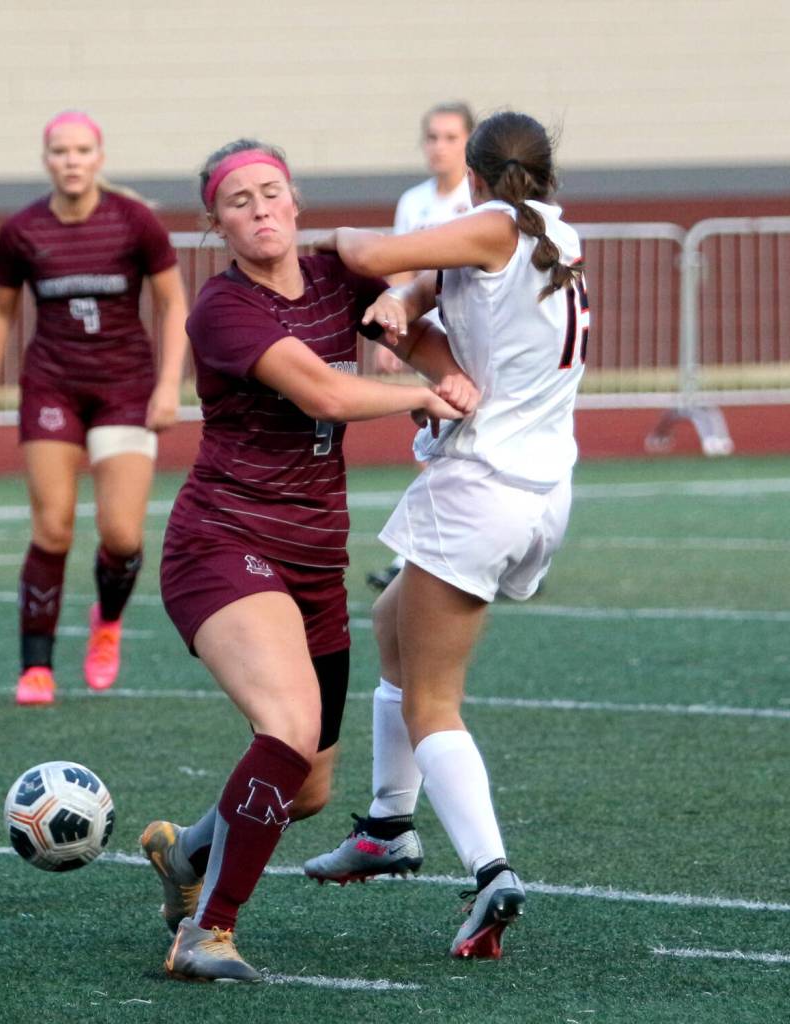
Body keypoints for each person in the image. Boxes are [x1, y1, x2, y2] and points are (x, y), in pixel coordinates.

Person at [139, 138, 478, 983]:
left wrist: (444, 366)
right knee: (285, 730)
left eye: (271, 192)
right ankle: (205, 933)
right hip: (222, 544)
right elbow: (324, 391)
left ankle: (186, 855)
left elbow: (412, 321)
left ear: (295, 203)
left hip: (315, 558)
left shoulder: (335, 277)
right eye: (239, 199)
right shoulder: (221, 308)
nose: (259, 208)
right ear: (214, 223)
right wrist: (423, 396)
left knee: (310, 788)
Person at [302, 110, 589, 961]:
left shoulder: (495, 226)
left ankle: (491, 870)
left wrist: (302, 236)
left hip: (485, 486)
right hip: (540, 486)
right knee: (392, 619)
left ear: (472, 173)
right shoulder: (553, 234)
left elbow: (366, 254)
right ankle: (390, 822)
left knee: (433, 699)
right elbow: (446, 293)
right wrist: (409, 302)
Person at [0, 111, 189, 706]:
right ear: (46, 159)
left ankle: (107, 622)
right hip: (52, 388)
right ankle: (35, 666)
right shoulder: (22, 230)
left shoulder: (134, 222)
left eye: (82, 150)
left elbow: (173, 303)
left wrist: (170, 385)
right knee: (54, 527)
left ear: (99, 157)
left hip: (124, 389)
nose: (71, 160)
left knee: (120, 535)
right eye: (60, 151)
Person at [366, 101, 474, 592]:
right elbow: (401, 269)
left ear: (470, 143)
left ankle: (507, 551)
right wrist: (393, 331)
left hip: (473, 338)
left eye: (450, 137)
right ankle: (413, 557)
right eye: (432, 137)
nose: (439, 147)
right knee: (434, 440)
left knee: (477, 440)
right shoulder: (414, 202)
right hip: (431, 342)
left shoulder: (481, 202)